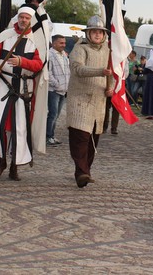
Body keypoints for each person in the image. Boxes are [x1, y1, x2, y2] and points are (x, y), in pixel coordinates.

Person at [0, 6, 44, 181]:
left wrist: (22, 61)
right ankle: (1, 160)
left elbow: (39, 65)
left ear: (31, 21)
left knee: (19, 129)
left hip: (22, 90)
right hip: (4, 86)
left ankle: (14, 166)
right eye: (21, 17)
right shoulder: (5, 37)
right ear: (17, 19)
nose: (24, 20)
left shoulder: (36, 41)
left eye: (27, 18)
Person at [66, 16, 112, 188]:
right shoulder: (80, 49)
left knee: (93, 139)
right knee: (80, 137)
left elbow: (114, 74)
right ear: (88, 33)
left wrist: (111, 88)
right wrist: (101, 71)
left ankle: (86, 170)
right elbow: (77, 69)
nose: (97, 35)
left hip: (99, 102)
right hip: (80, 101)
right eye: (94, 32)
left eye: (100, 32)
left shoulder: (108, 51)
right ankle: (81, 172)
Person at [46, 34, 69, 146]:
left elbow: (67, 71)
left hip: (63, 90)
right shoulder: (49, 55)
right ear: (54, 43)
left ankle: (52, 135)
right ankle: (48, 136)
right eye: (61, 43)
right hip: (53, 90)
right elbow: (48, 73)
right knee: (53, 114)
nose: (64, 45)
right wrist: (57, 84)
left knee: (57, 115)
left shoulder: (64, 54)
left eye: (64, 43)